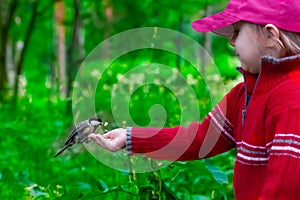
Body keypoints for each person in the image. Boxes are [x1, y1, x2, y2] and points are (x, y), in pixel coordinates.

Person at [89, 0, 300, 199]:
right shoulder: (243, 94)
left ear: (271, 36)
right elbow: (201, 138)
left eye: (237, 31)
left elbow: (285, 190)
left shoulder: (291, 100)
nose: (231, 40)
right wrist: (129, 137)